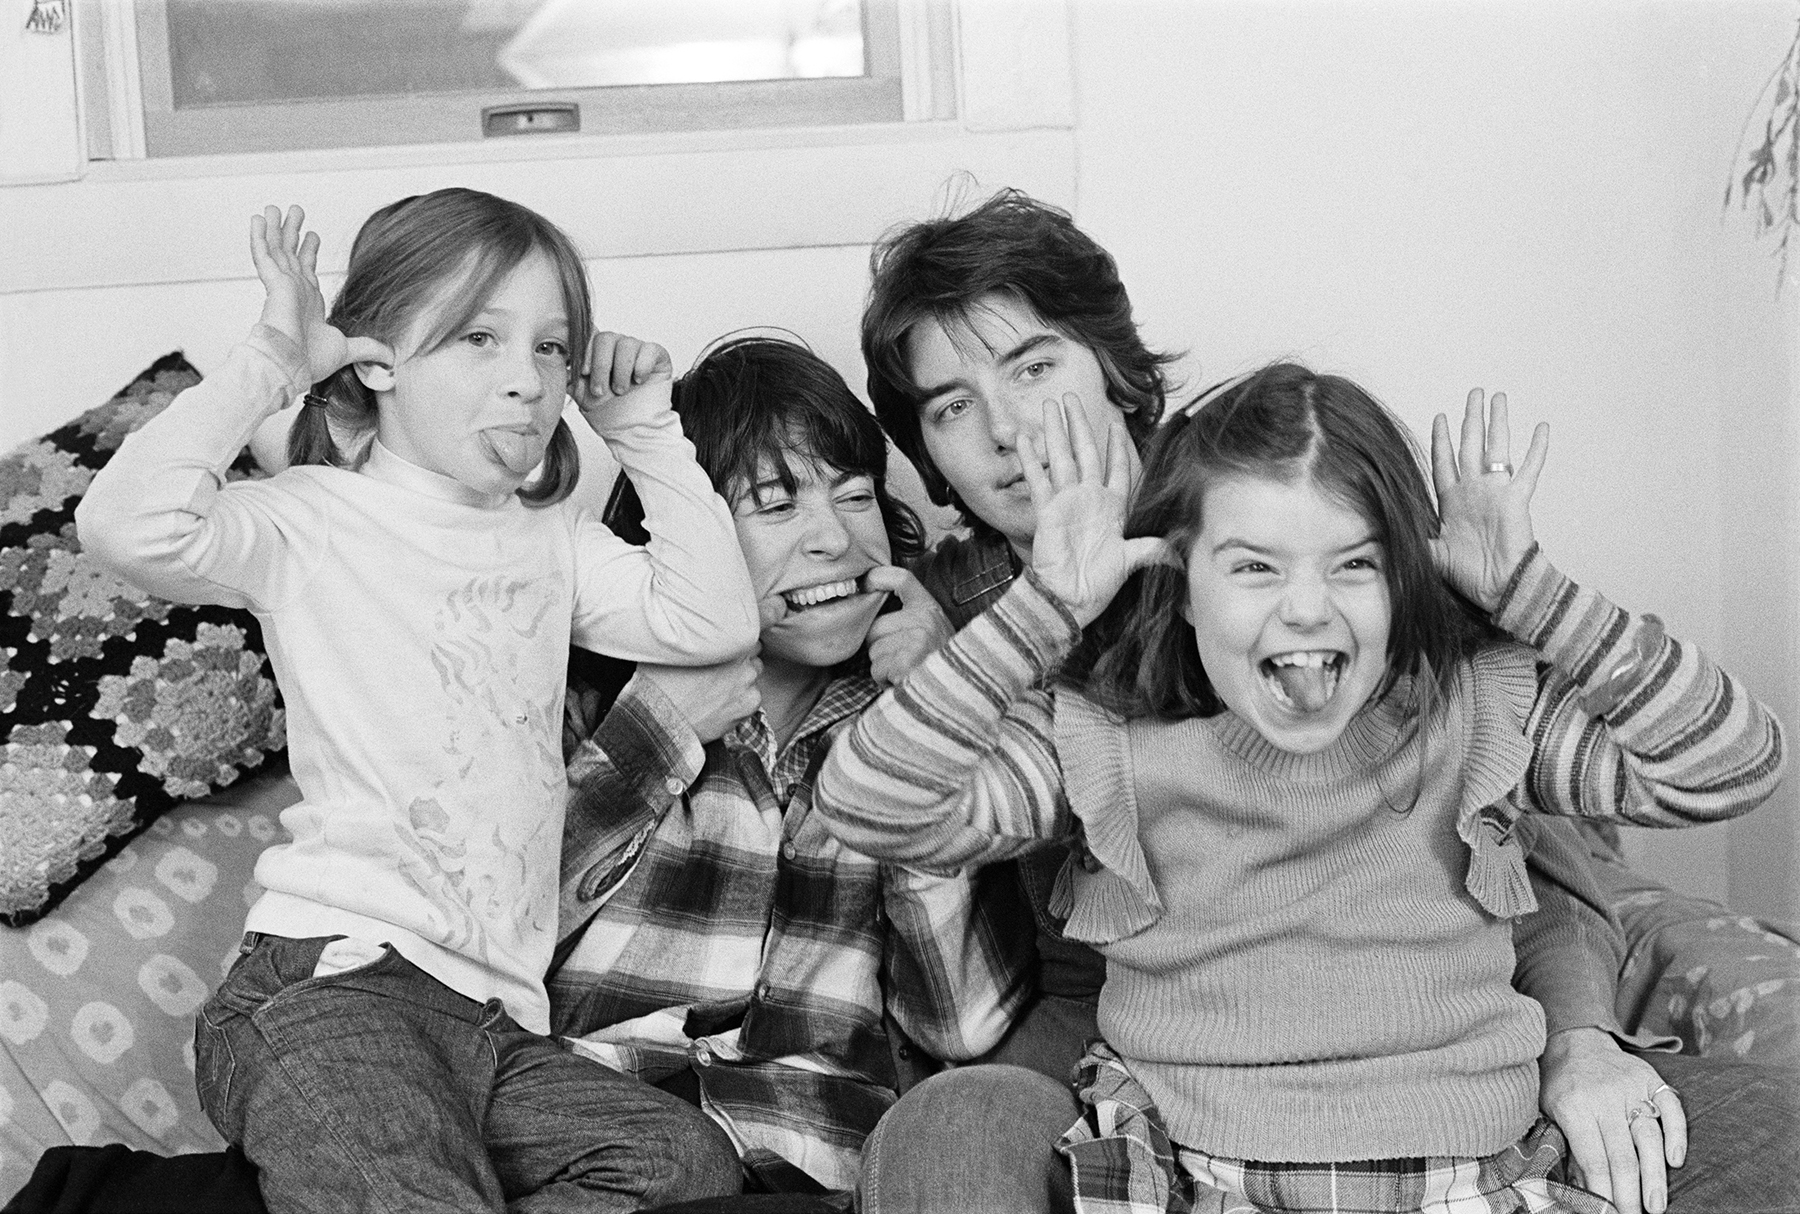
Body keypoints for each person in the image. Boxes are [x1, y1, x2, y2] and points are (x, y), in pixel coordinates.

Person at [853, 189, 1797, 1214]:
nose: (1005, 429)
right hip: (1127, 1048)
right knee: (947, 1133)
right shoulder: (955, 618)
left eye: (1032, 367)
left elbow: (1541, 852)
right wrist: (1015, 630)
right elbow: (884, 810)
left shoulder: (1287, 487)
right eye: (951, 405)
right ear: (927, 451)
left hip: (1439, 1053)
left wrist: (1577, 1037)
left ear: (1117, 373)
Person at [74, 190, 761, 1213]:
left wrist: (644, 430)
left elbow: (712, 623)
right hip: (329, 987)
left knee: (685, 1165)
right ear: (379, 357)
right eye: (480, 338)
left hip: (493, 1025)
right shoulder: (312, 520)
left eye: (552, 348)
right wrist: (274, 356)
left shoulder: (551, 538)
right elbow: (126, 526)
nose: (527, 381)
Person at [549, 335, 1034, 1204]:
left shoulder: (906, 727)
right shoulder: (580, 705)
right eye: (776, 507)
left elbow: (963, 1023)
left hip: (805, 1159)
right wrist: (655, 731)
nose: (834, 541)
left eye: (856, 498)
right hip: (591, 1138)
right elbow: (484, 938)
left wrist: (929, 723)